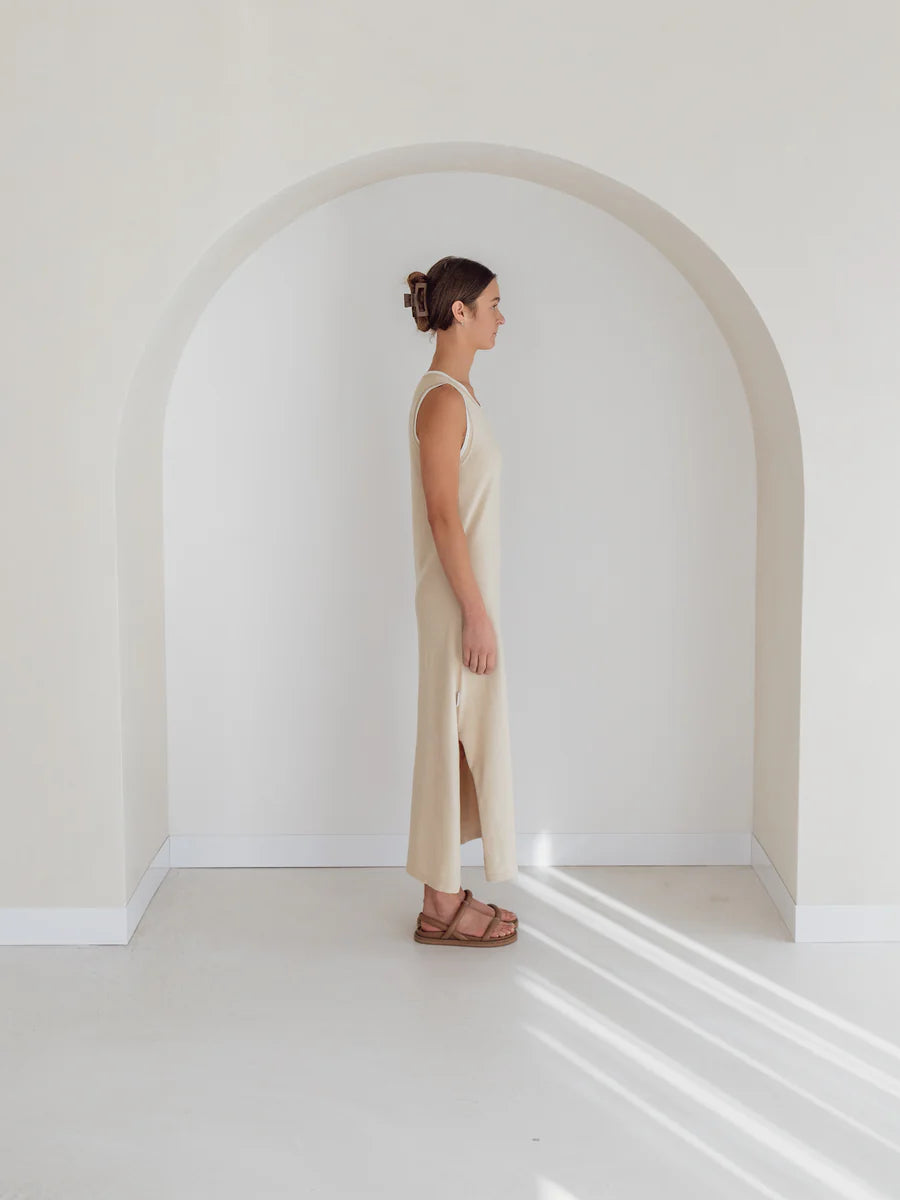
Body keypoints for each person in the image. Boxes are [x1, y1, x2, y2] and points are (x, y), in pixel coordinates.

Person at [404, 256, 519, 948]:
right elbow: (443, 516)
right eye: (494, 304)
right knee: (450, 740)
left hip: (467, 597)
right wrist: (475, 615)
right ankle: (440, 905)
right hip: (456, 603)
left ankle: (440, 896)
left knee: (461, 741)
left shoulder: (458, 395)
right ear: (460, 312)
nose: (502, 317)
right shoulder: (443, 400)